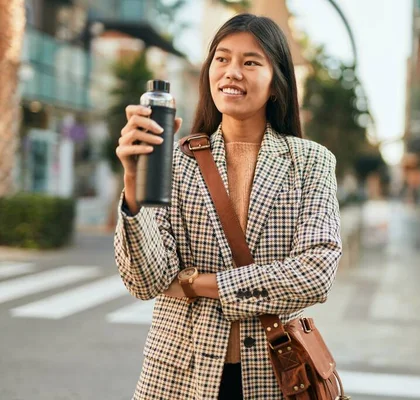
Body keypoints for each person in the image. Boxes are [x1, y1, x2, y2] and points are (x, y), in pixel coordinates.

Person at [113, 13, 342, 400]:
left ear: (276, 83)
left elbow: (316, 273)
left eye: (251, 62)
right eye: (222, 59)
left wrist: (195, 283)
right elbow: (145, 281)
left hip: (275, 376)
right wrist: (134, 182)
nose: (232, 72)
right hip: (178, 374)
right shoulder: (176, 160)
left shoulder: (311, 161)